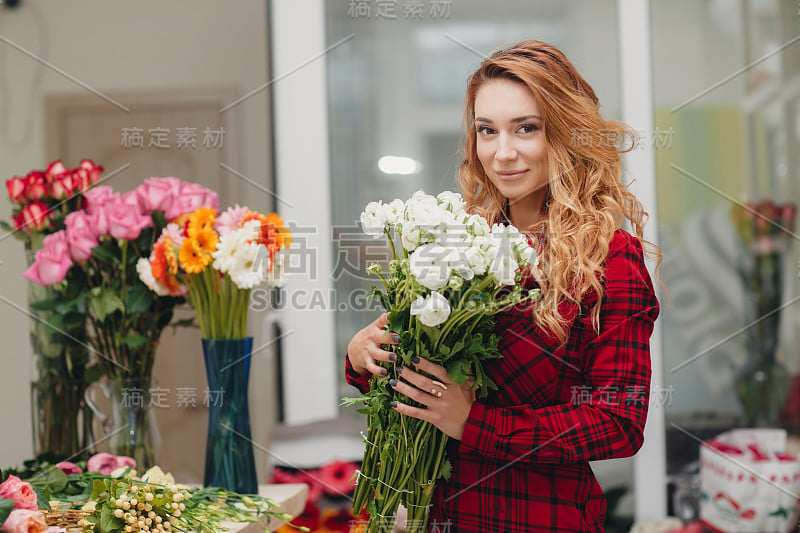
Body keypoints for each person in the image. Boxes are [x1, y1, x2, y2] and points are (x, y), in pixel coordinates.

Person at [345, 40, 660, 532]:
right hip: (439, 516)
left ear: (564, 132)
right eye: (486, 131)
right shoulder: (458, 237)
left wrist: (474, 425)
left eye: (526, 129)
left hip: (545, 521)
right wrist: (366, 355)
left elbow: (618, 423)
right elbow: (424, 381)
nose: (502, 152)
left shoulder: (611, 259)